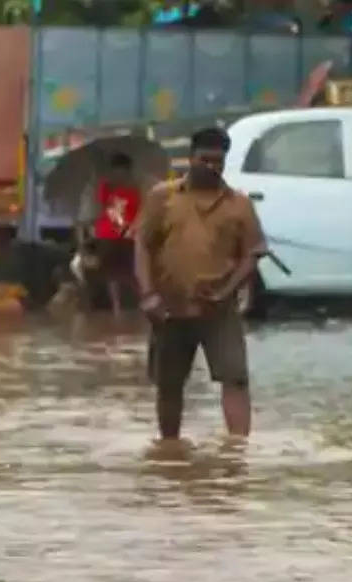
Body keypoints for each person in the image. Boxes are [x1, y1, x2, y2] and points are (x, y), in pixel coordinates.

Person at [134, 127, 265, 440]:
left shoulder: (240, 205)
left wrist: (228, 289)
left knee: (235, 379)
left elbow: (252, 253)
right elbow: (142, 244)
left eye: (219, 162)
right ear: (190, 158)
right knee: (169, 385)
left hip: (219, 310)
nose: (212, 167)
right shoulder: (161, 198)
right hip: (170, 308)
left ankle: (237, 452)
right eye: (205, 160)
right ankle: (169, 449)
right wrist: (148, 294)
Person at [91, 153, 142, 315]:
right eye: (116, 171)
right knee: (110, 273)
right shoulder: (106, 188)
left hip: (128, 236)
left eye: (122, 171)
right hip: (107, 235)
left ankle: (141, 302)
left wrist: (133, 229)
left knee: (132, 272)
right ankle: (116, 307)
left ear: (128, 171)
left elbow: (138, 214)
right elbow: (99, 206)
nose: (119, 175)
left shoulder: (134, 191)